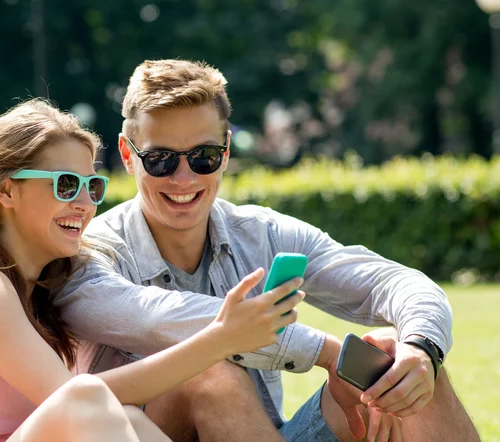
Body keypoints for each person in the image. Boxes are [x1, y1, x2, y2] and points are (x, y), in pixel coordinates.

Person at [55, 60, 481, 442]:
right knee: (208, 368)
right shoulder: (90, 251)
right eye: (162, 159)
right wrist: (326, 352)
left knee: (394, 358)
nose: (183, 178)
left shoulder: (261, 232)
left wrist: (422, 348)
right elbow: (171, 320)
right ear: (128, 156)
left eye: (203, 156)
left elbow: (395, 283)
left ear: (225, 153)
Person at [0, 99, 305, 442]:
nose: (83, 203)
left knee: (131, 418)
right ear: (6, 190)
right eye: (64, 185)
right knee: (87, 400)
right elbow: (75, 401)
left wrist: (218, 344)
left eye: (91, 187)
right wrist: (220, 337)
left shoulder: (42, 291)